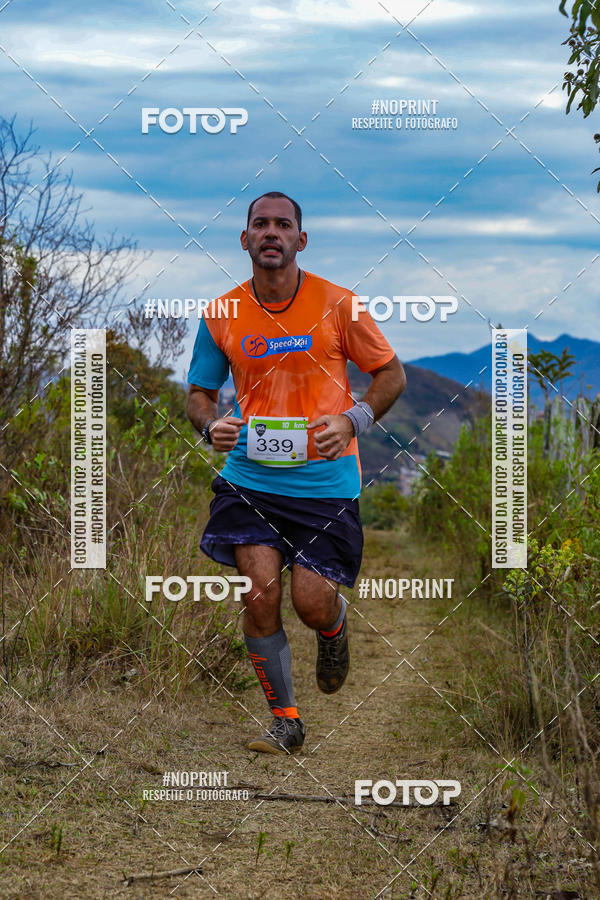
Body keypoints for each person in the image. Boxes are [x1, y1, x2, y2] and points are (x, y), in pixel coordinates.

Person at [186, 191, 406, 755]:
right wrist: (211, 425)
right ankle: (285, 720)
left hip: (324, 484)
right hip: (250, 478)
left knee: (310, 601)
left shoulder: (339, 305)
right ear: (245, 239)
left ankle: (332, 631)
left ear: (300, 240)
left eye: (283, 225)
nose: (271, 233)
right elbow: (199, 395)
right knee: (259, 596)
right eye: (260, 224)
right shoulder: (222, 314)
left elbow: (391, 375)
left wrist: (354, 420)